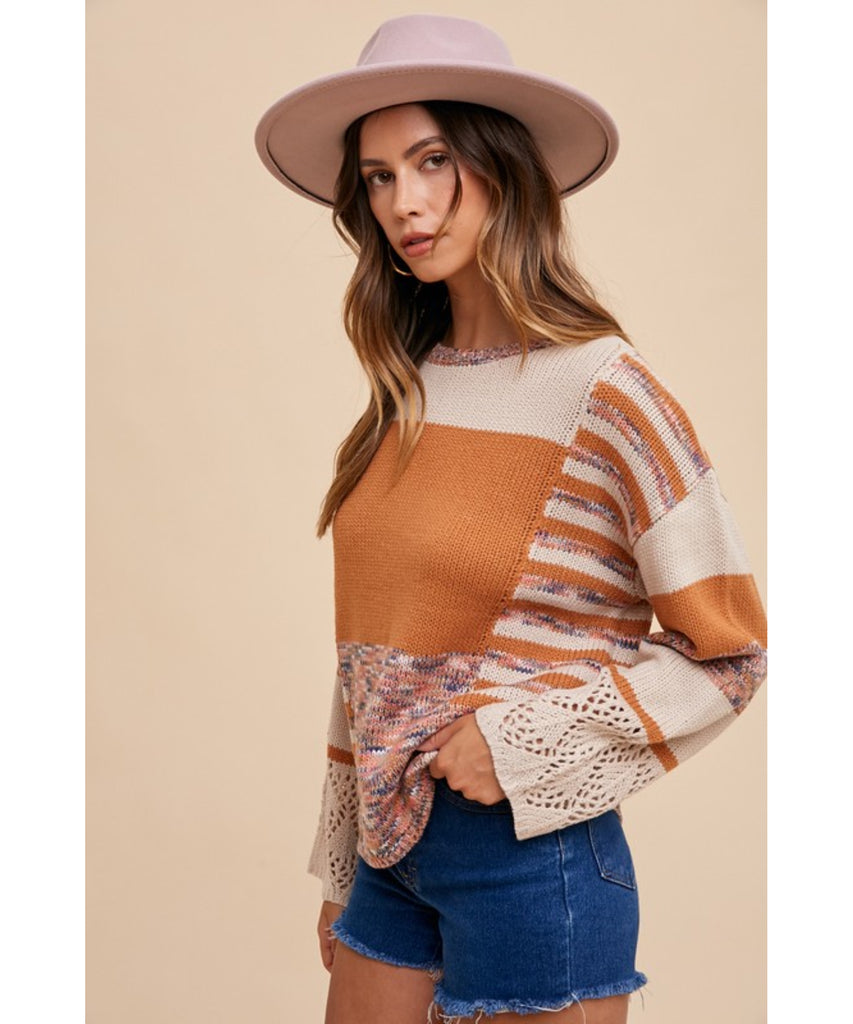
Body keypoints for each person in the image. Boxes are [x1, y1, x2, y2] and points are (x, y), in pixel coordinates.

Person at [254, 14, 767, 1024]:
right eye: (378, 177)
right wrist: (342, 861)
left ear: (502, 166)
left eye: (432, 160)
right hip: (390, 859)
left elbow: (730, 654)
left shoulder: (605, 392)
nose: (403, 202)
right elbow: (370, 650)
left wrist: (520, 742)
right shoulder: (405, 392)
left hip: (534, 859)